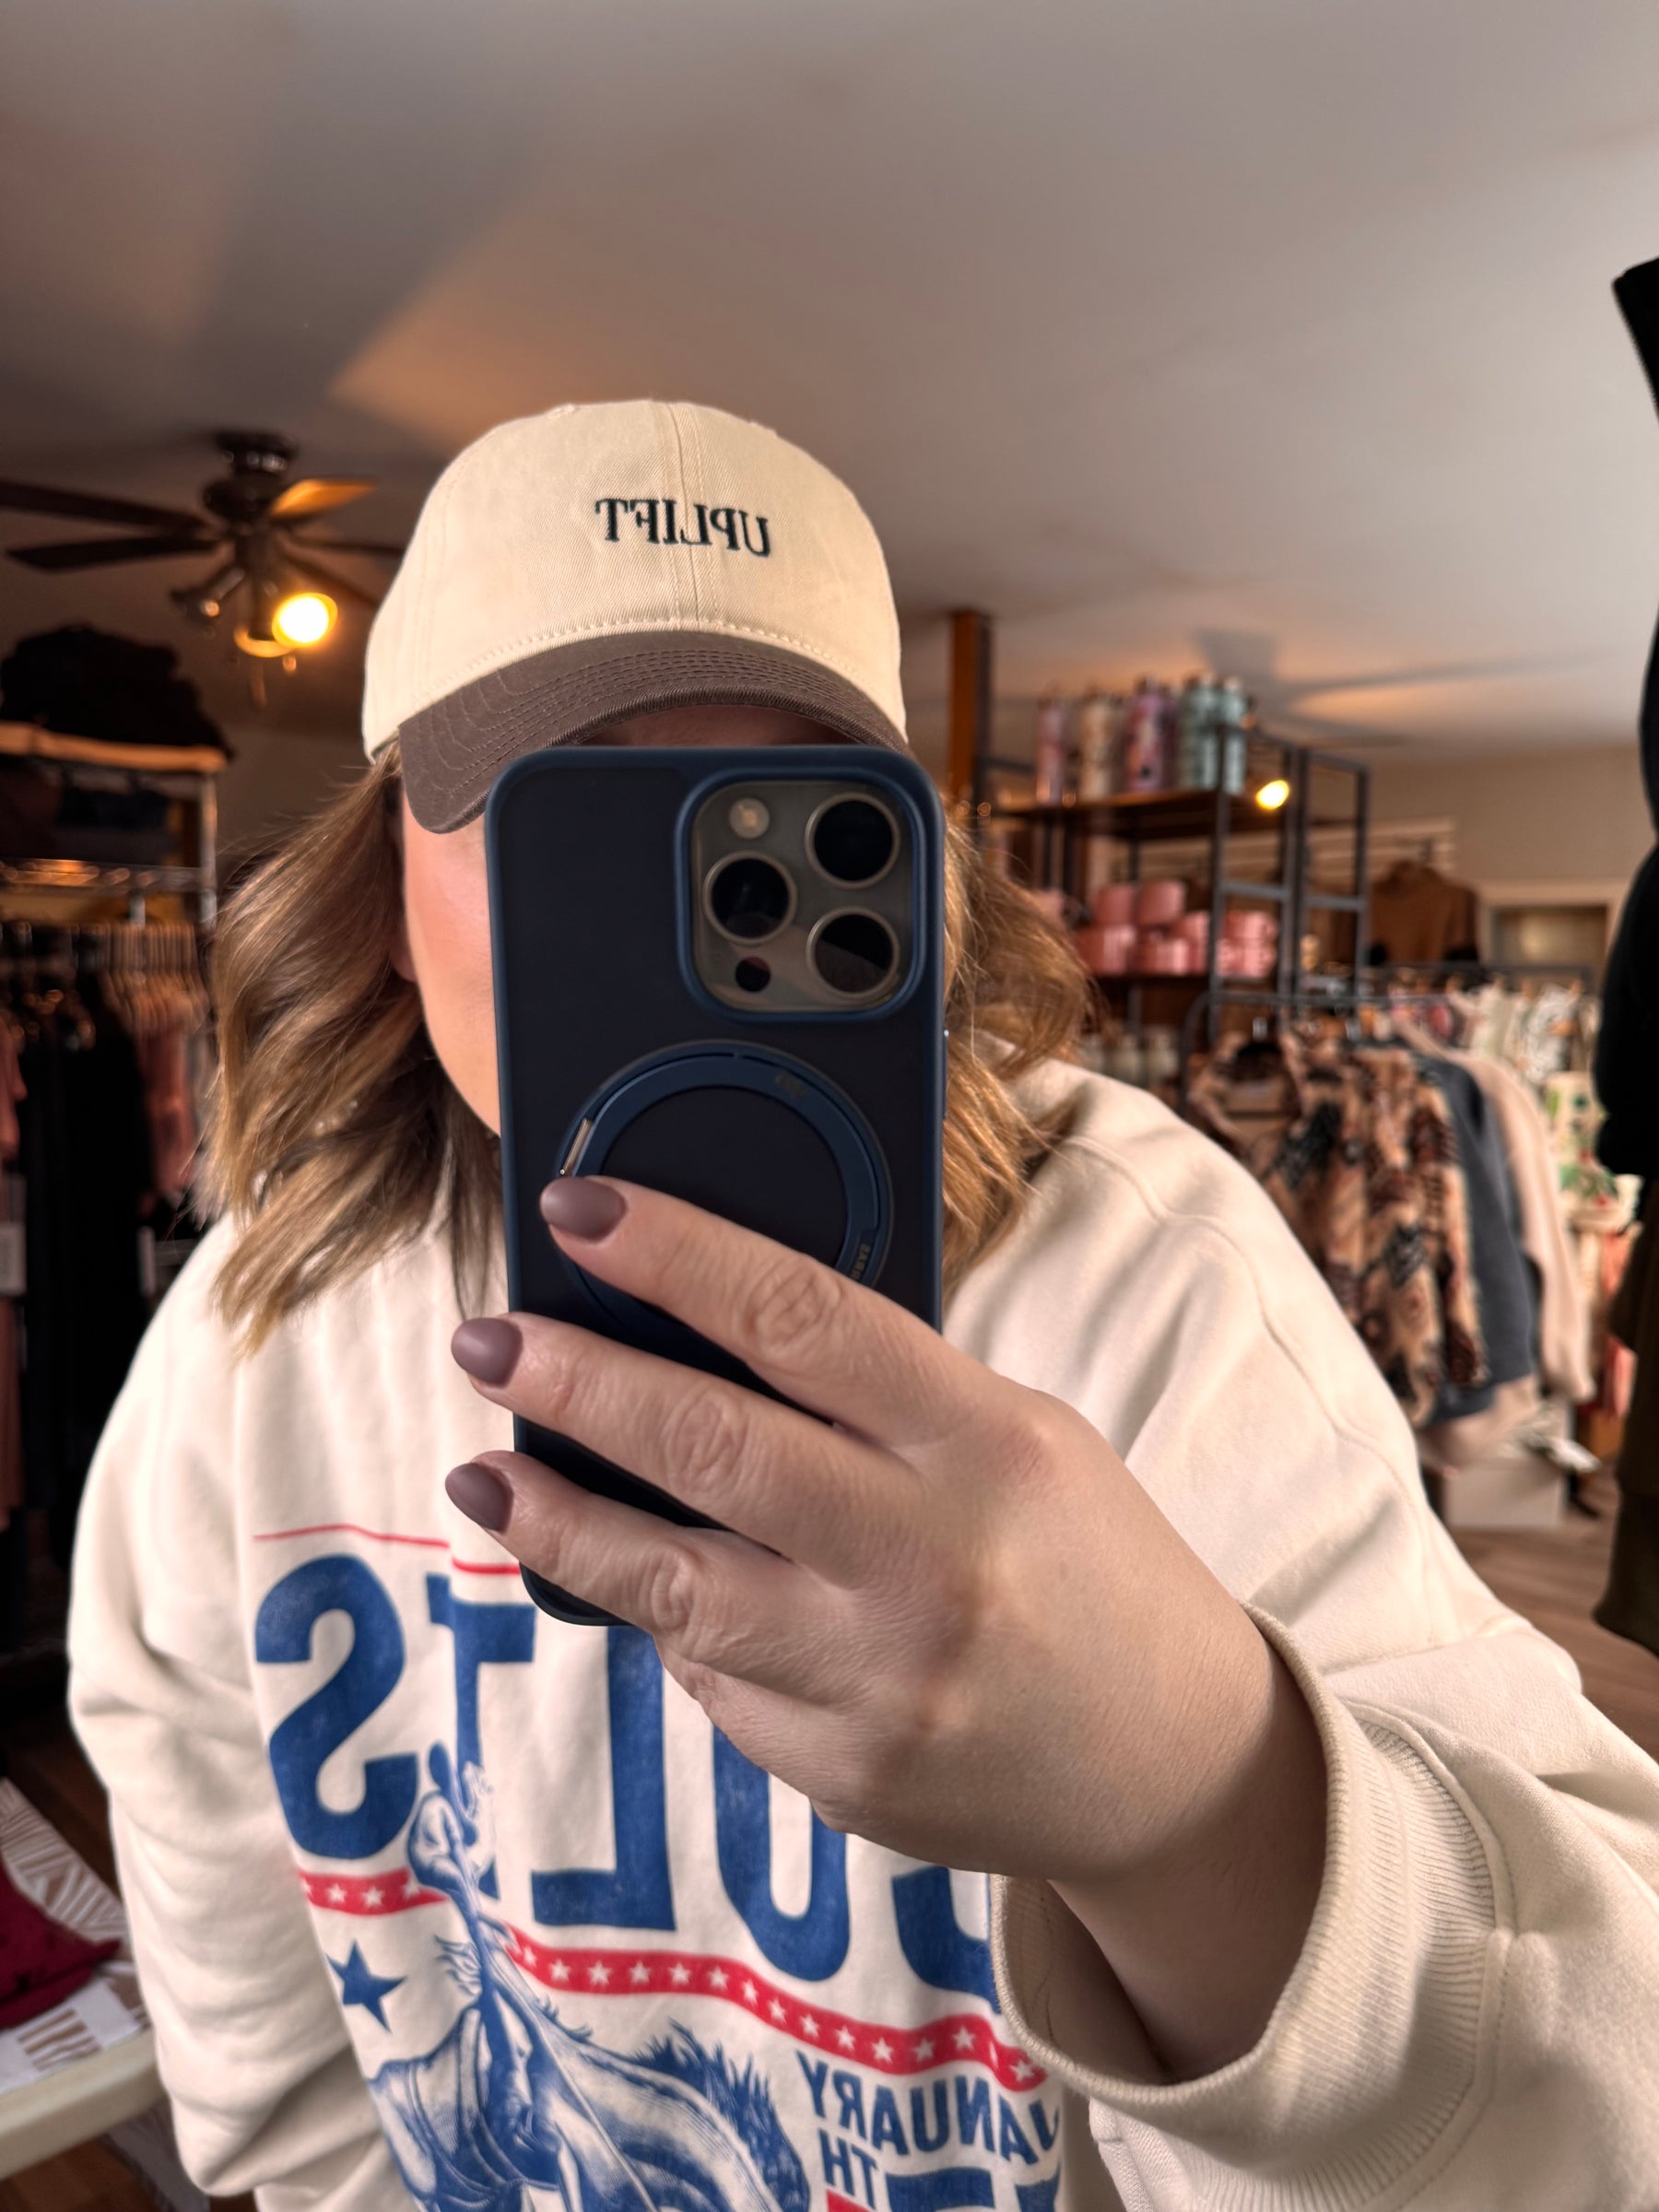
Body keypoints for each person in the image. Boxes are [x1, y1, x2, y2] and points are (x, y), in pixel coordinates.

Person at [67, 401, 1659, 2212]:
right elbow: (211, 1863)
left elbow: (1606, 2093)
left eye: (782, 832)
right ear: (378, 901)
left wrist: (1209, 1809)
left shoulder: (1146, 1284)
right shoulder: (256, 1331)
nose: (662, 937)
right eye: (569, 823)